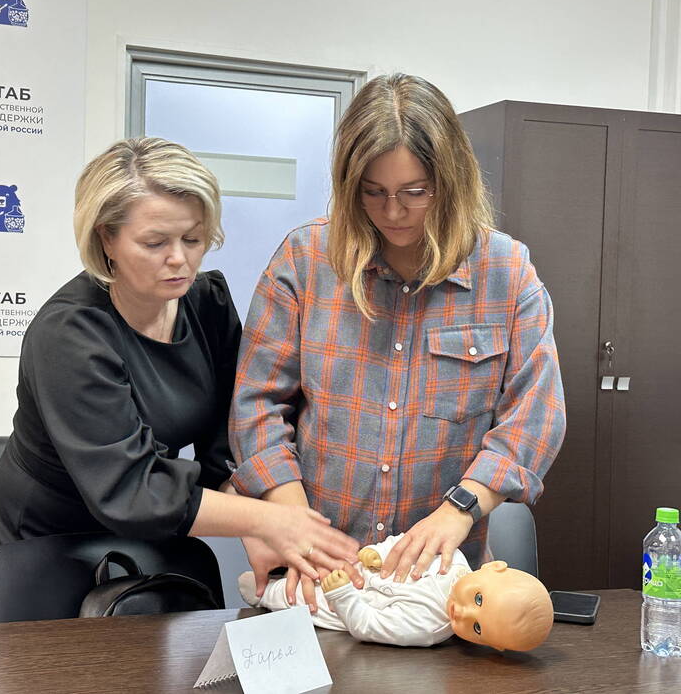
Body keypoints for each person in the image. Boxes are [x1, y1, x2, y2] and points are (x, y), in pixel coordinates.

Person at [229, 74, 566, 610]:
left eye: (415, 193)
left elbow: (535, 418)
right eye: (373, 192)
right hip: (316, 574)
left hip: (437, 585)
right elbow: (258, 405)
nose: (392, 213)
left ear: (450, 181)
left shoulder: (506, 273)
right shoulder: (306, 260)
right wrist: (289, 518)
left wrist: (459, 508)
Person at [0, 137, 358, 579]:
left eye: (193, 238)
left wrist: (254, 525)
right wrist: (270, 521)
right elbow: (131, 487)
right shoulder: (70, 335)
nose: (179, 260)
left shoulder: (206, 303)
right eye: (154, 242)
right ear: (106, 236)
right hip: (55, 530)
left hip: (148, 516)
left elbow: (227, 432)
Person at [239, 533, 553, 651]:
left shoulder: (428, 629)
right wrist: (376, 552)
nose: (464, 612)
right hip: (354, 566)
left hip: (339, 604)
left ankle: (262, 596)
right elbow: (402, 541)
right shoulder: (450, 554)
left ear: (490, 645)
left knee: (294, 598)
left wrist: (342, 595)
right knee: (305, 556)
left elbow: (366, 627)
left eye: (478, 628)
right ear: (493, 567)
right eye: (479, 599)